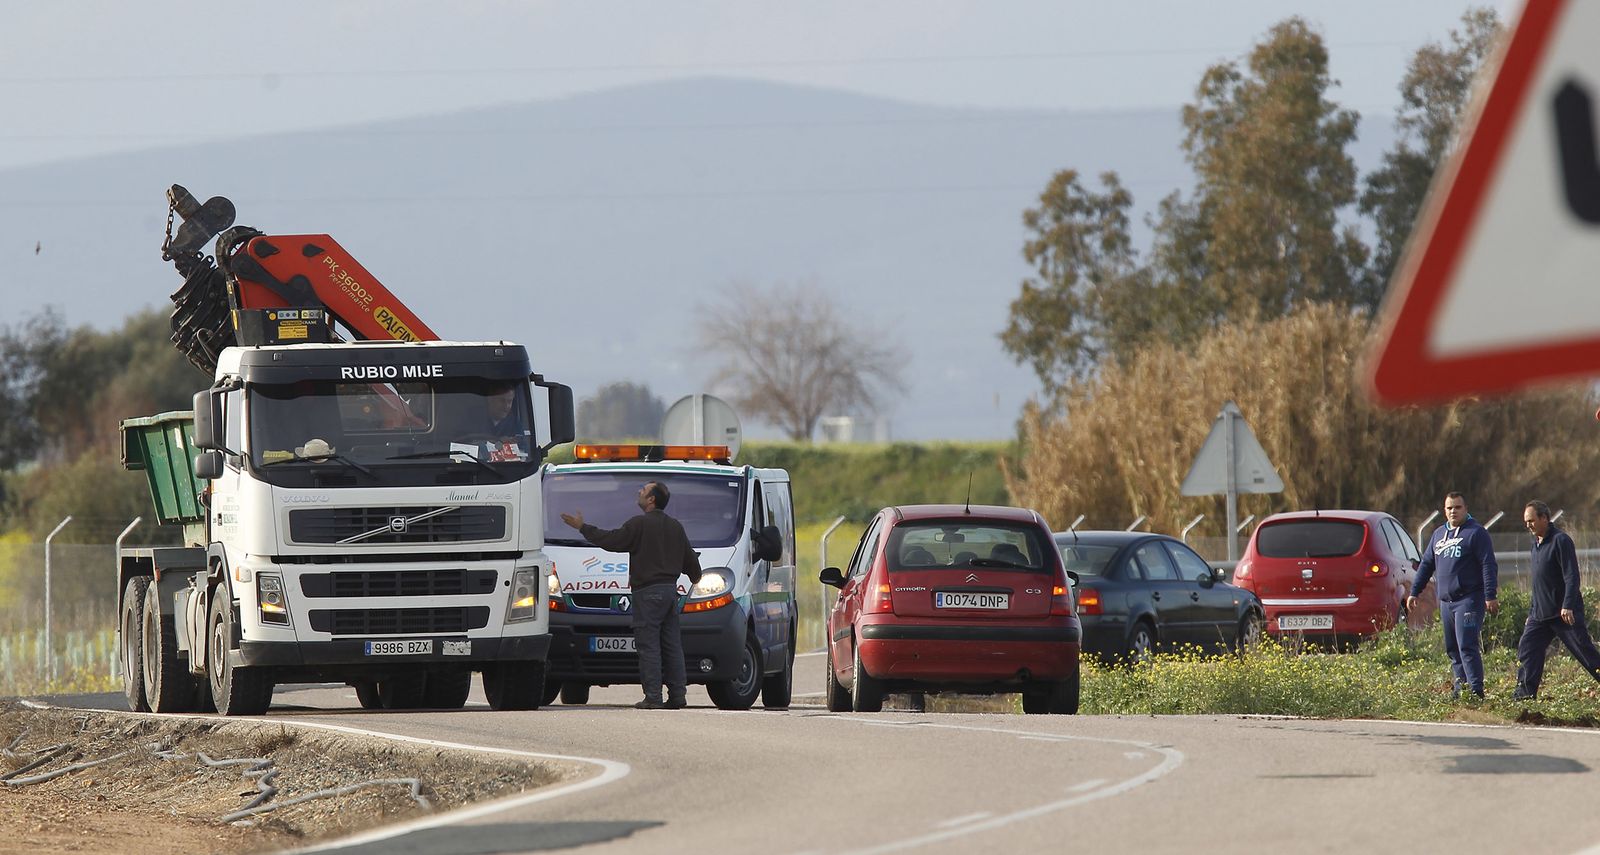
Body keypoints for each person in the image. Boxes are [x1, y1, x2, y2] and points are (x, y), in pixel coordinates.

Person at [560, 481, 702, 709]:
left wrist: (582, 527)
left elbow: (611, 540)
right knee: (672, 646)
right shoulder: (676, 527)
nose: (639, 492)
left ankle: (653, 697)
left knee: (649, 647)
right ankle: (678, 696)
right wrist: (695, 577)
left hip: (647, 594)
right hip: (670, 593)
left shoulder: (639, 524)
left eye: (643, 491)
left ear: (651, 500)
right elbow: (691, 563)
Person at [1407, 492, 1500, 699]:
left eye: (1457, 507)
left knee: (1467, 644)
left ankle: (1476, 692)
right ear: (1444, 511)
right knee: (1453, 648)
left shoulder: (1476, 533)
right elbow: (1426, 565)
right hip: (1446, 602)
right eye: (1449, 508)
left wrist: (1490, 595)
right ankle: (1460, 690)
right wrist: (1415, 592)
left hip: (1469, 599)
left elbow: (1488, 564)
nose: (1453, 511)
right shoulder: (1439, 534)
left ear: (1465, 509)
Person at [1513, 501, 1600, 700]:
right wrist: (1531, 612)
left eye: (1532, 521)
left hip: (1563, 614)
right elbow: (1538, 584)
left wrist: (1568, 605)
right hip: (1539, 615)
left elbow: (1571, 576)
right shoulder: (1535, 545)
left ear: (1544, 518)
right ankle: (1524, 695)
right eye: (1526, 522)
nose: (1529, 525)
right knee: (1528, 649)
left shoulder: (1560, 541)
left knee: (1585, 651)